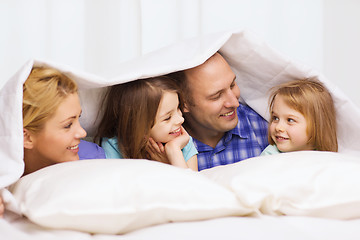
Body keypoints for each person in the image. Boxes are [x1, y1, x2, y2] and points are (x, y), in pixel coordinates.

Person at [168, 52, 269, 171]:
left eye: (232, 85)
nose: (235, 103)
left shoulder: (266, 129)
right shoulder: (161, 147)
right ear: (183, 102)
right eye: (216, 96)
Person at [95, 76, 198, 171]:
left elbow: (194, 188)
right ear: (138, 126)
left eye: (178, 108)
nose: (180, 119)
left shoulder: (182, 142)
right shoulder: (114, 148)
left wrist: (174, 152)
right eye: (167, 118)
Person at [22, 67, 106, 175]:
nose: (83, 132)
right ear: (26, 137)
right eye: (68, 125)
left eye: (78, 117)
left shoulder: (94, 161)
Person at [260, 78, 338, 155]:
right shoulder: (270, 156)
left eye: (290, 120)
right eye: (275, 118)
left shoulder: (327, 158)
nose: (278, 127)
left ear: (317, 125)